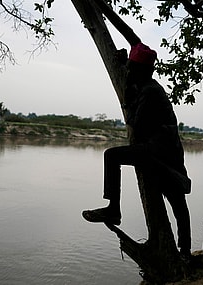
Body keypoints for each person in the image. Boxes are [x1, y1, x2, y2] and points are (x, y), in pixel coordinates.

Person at [82, 43, 191, 257]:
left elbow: (135, 123)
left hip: (157, 154)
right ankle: (185, 250)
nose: (129, 72)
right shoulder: (149, 87)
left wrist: (126, 103)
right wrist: (124, 66)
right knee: (178, 202)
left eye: (132, 68)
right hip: (165, 153)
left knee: (111, 156)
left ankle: (114, 209)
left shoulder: (150, 92)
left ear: (141, 71)